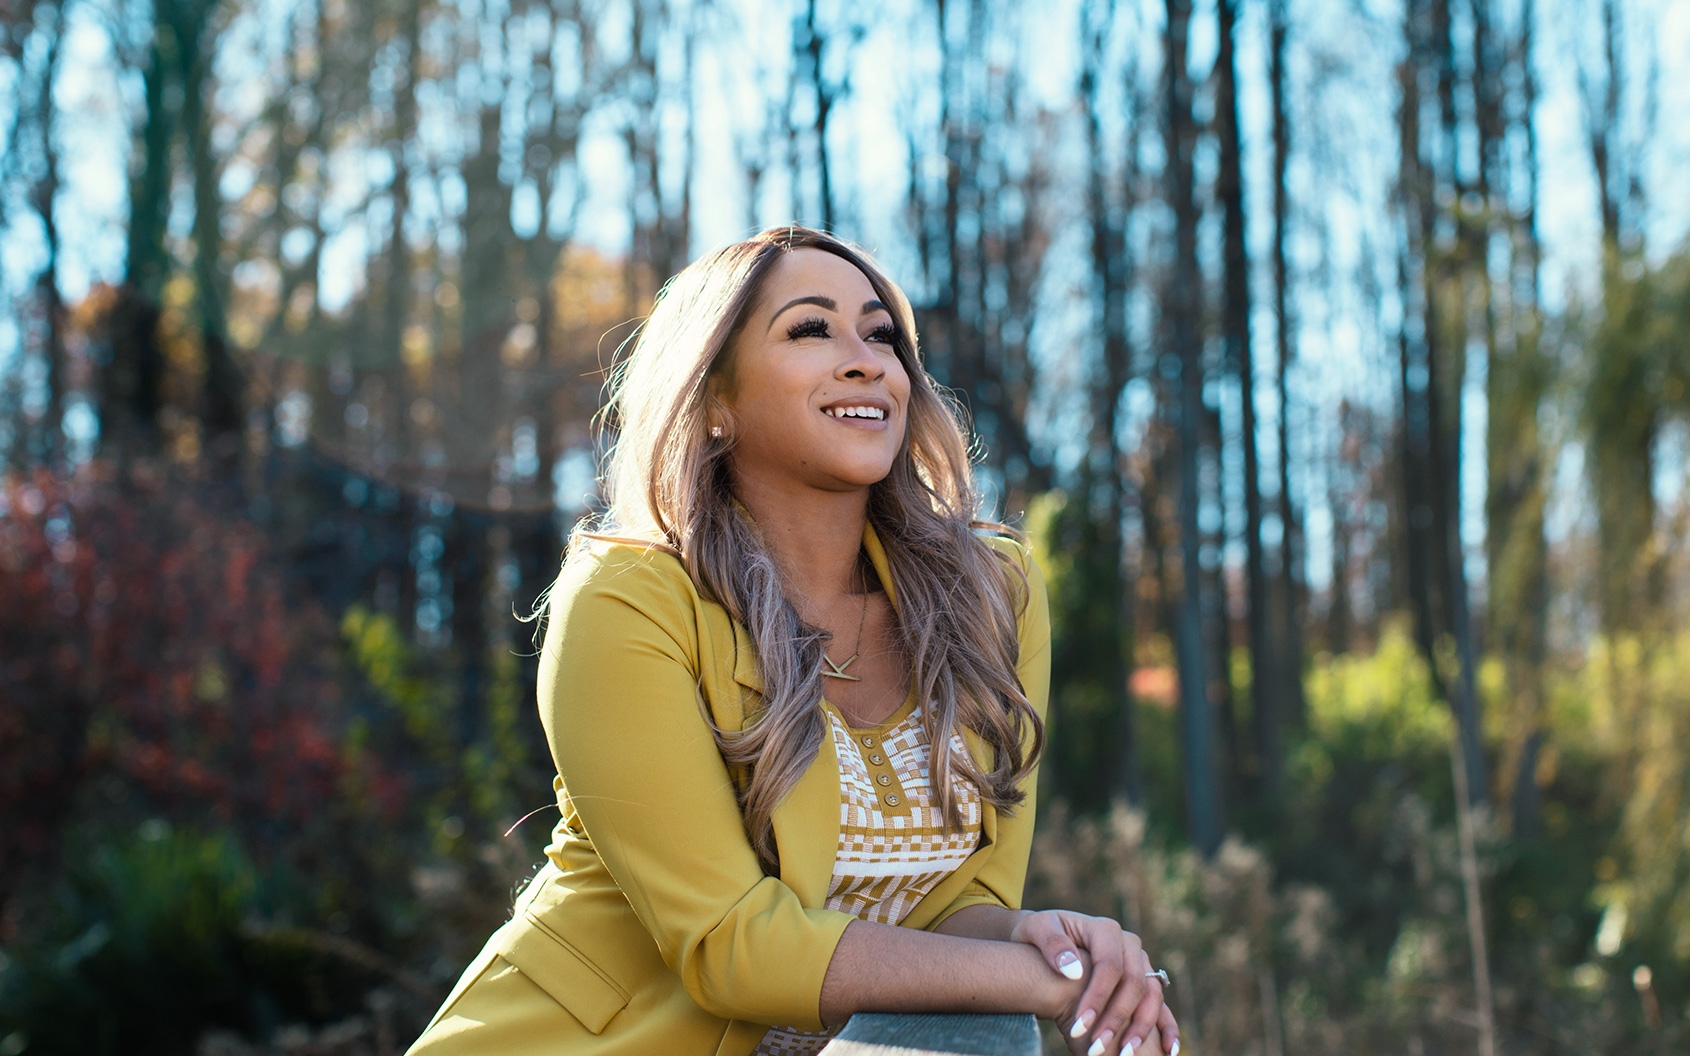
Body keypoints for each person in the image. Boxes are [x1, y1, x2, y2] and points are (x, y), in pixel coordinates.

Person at [407, 226, 1179, 1056]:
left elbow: (956, 914)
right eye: (811, 329)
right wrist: (1043, 983)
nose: (866, 362)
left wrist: (1050, 946)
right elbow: (731, 944)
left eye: (881, 336)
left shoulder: (993, 594)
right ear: (714, 400)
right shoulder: (627, 599)